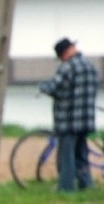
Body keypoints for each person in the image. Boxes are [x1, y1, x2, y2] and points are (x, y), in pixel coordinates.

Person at [36, 37, 99, 192]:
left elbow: (54, 87)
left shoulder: (67, 67)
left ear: (64, 54)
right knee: (81, 154)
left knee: (67, 156)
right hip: (86, 120)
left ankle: (66, 187)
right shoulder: (90, 66)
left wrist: (41, 87)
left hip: (68, 121)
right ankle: (86, 184)